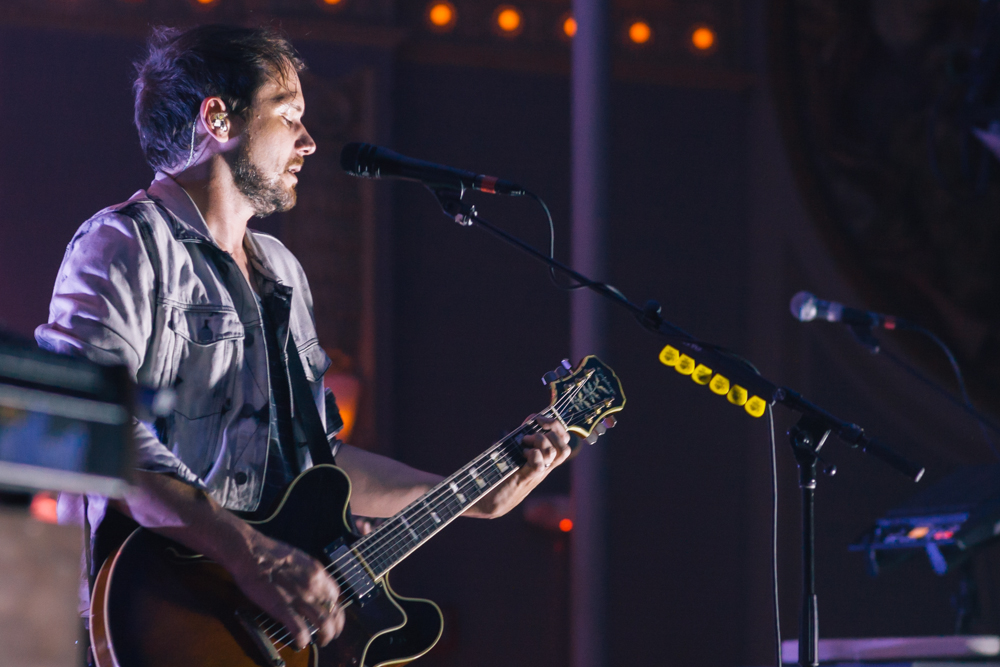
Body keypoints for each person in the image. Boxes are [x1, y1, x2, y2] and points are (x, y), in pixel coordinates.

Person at [36, 24, 570, 654]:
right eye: (289, 115)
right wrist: (249, 553)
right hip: (144, 619)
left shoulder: (283, 271)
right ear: (218, 118)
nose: (309, 141)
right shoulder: (123, 245)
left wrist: (471, 497)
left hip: (256, 632)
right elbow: (93, 428)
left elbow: (319, 460)